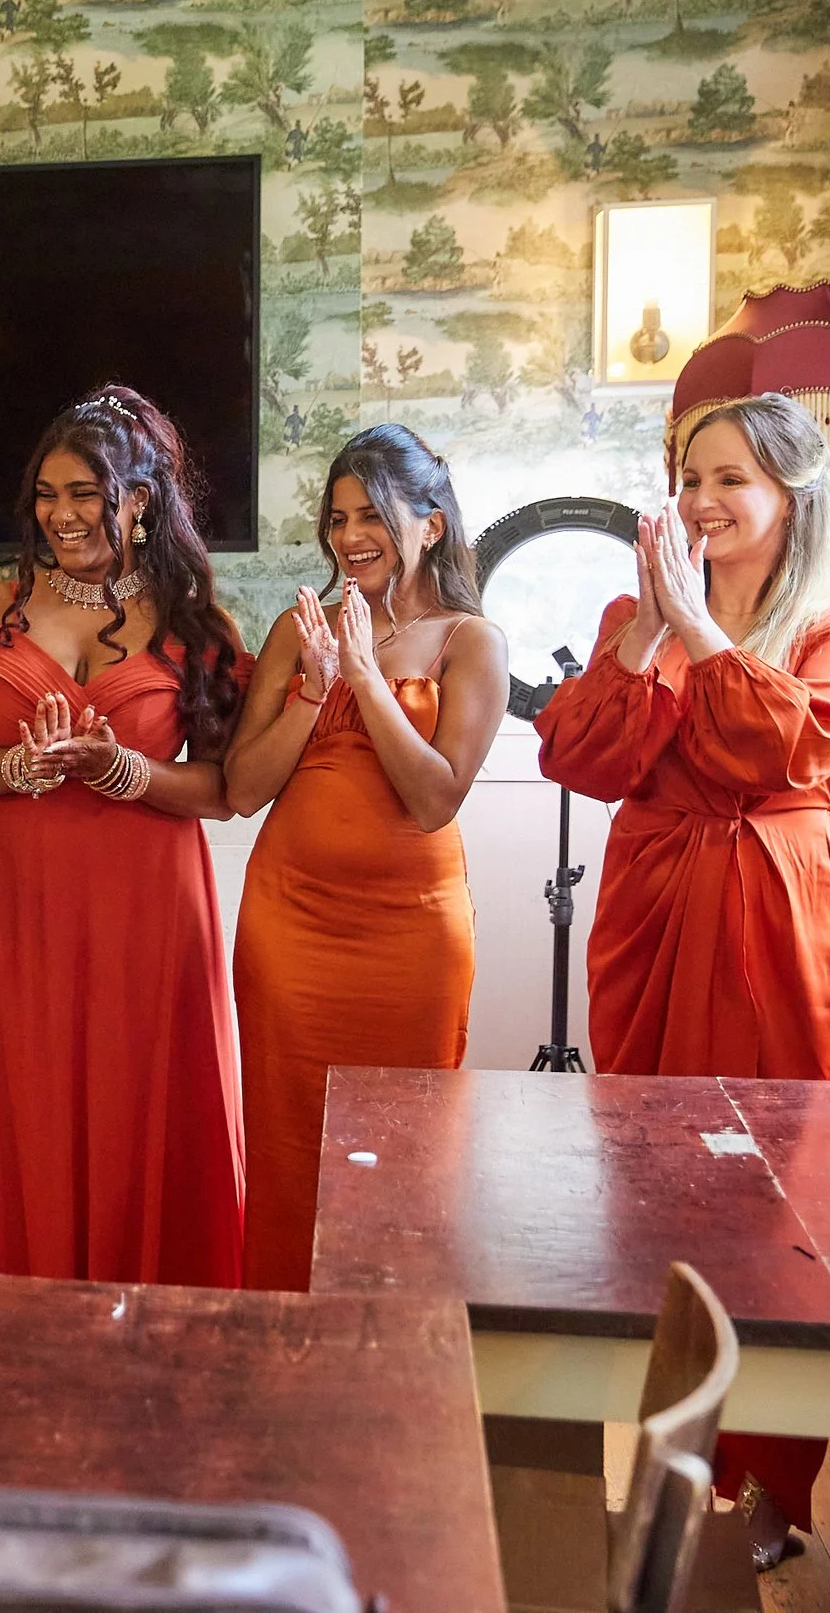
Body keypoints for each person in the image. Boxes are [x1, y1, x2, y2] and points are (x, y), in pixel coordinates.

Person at [537, 393, 830, 1567]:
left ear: (792, 495)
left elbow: (785, 751)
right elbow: (581, 755)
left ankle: (779, 1484)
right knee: (654, 1181)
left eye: (728, 478)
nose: (698, 501)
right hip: (651, 909)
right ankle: (666, 1449)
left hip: (781, 918)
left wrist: (696, 628)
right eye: (687, 476)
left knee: (783, 1200)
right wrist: (648, 629)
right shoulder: (627, 616)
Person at [0, 387, 251, 1286]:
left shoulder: (195, 624)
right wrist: (18, 769)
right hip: (22, 892)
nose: (61, 515)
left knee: (143, 1102)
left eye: (85, 493)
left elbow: (226, 790)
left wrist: (124, 772)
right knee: (27, 1096)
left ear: (139, 501)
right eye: (47, 495)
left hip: (149, 902)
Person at [224, 424, 508, 1294]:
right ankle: (280, 1345)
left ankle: (394, 1354)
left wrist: (368, 678)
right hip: (289, 927)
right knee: (284, 1140)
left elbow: (434, 799)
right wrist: (316, 686)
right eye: (338, 517)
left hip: (411, 942)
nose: (349, 536)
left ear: (430, 524)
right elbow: (241, 788)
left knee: (407, 1149)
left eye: (372, 514)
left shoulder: (472, 642)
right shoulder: (294, 629)